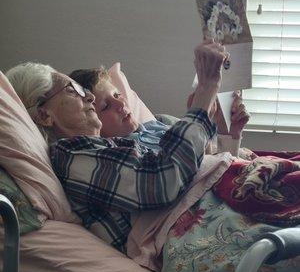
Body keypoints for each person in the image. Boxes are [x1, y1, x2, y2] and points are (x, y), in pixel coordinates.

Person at [5, 40, 239, 253]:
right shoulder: (69, 155)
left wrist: (217, 124)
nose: (88, 98)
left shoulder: (107, 145)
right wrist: (206, 90)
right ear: (45, 115)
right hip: (196, 234)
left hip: (212, 211)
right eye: (72, 90)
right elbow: (161, 181)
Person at [69, 65, 249, 156]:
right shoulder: (122, 151)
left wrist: (229, 133)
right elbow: (189, 177)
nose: (120, 104)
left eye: (117, 95)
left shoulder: (158, 126)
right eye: (105, 106)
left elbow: (210, 163)